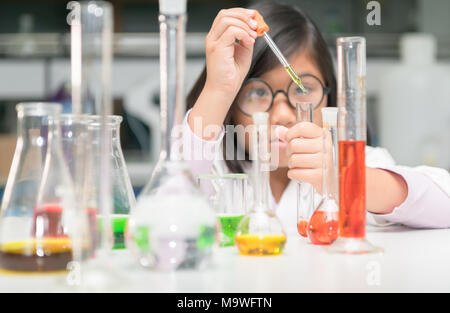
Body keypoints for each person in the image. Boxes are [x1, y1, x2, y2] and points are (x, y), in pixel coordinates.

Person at [182, 2, 450, 232]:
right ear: (231, 108)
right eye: (256, 93)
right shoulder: (216, 172)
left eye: (302, 89)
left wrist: (342, 178)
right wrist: (218, 89)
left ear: (330, 100)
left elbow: (443, 204)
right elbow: (168, 206)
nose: (282, 115)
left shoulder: (357, 163)